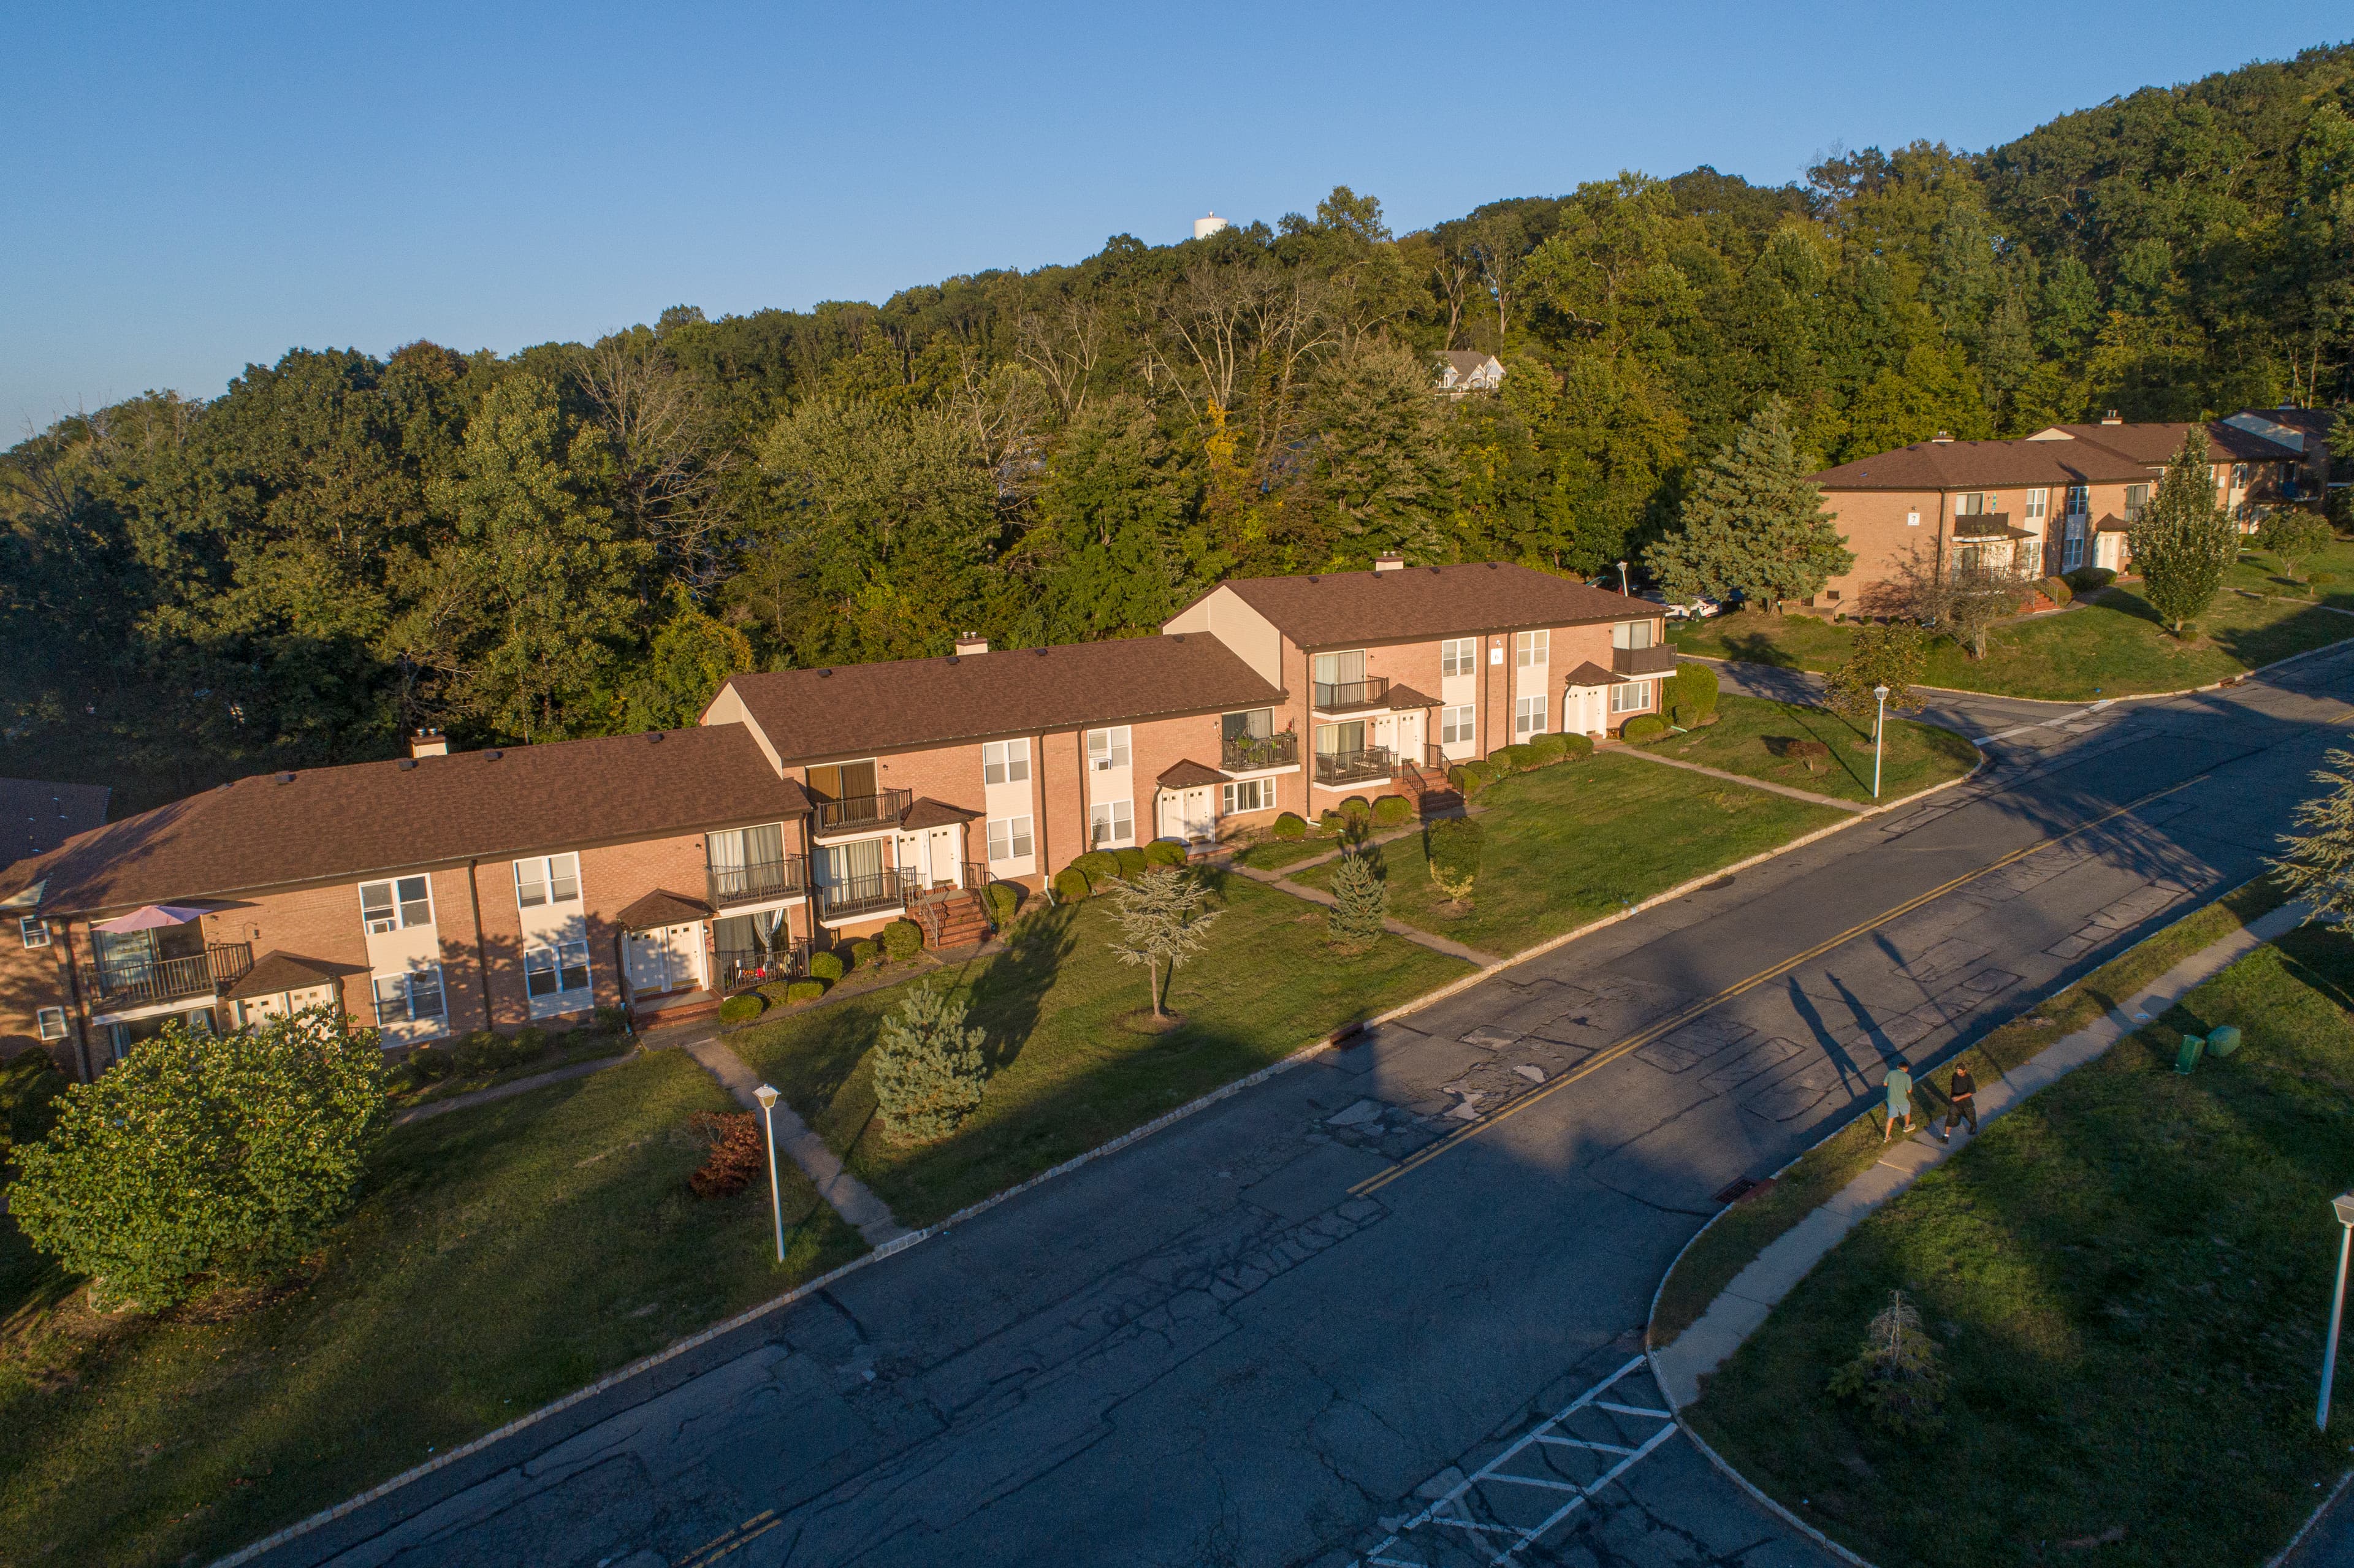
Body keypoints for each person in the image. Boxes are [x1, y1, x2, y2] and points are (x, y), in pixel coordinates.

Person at [1941, 1061, 1978, 1141]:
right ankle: (1946, 1137)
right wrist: (1952, 1098)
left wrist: (1959, 1098)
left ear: (1964, 1070)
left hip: (1966, 1102)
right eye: (1957, 1071)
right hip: (1955, 1103)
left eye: (1960, 1071)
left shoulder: (1969, 1078)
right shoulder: (1954, 1076)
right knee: (1950, 1118)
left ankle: (1974, 1126)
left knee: (1971, 1116)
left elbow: (1971, 1092)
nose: (1958, 1072)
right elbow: (1953, 1087)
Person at [1881, 1062, 1914, 1143]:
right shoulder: (1907, 1077)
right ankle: (1906, 1127)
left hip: (1891, 1099)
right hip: (1902, 1099)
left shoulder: (1891, 1073)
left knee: (1891, 1118)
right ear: (1906, 1069)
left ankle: (1886, 1137)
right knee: (1907, 1113)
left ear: (1898, 1067)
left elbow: (1885, 1084)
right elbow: (1909, 1091)